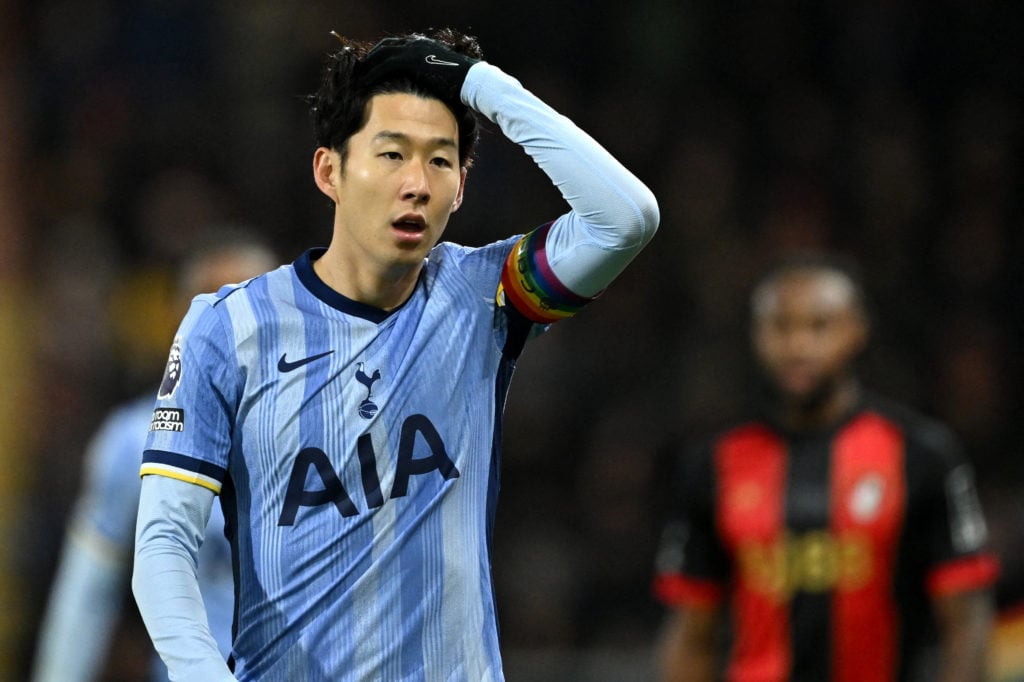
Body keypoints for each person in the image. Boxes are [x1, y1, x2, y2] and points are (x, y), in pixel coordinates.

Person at [131, 27, 659, 681]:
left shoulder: (484, 297)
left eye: (440, 161)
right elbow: (164, 543)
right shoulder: (228, 328)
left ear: (461, 188)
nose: (416, 183)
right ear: (330, 170)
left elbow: (627, 216)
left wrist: (479, 84)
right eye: (391, 155)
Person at [653, 253, 999, 682]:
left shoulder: (922, 454)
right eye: (781, 326)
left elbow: (966, 621)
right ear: (757, 335)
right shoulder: (712, 463)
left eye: (819, 326)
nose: (798, 346)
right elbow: (691, 632)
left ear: (858, 331)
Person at [32, 234, 278, 682]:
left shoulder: (332, 428)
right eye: (219, 315)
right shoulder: (133, 441)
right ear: (181, 325)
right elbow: (87, 591)